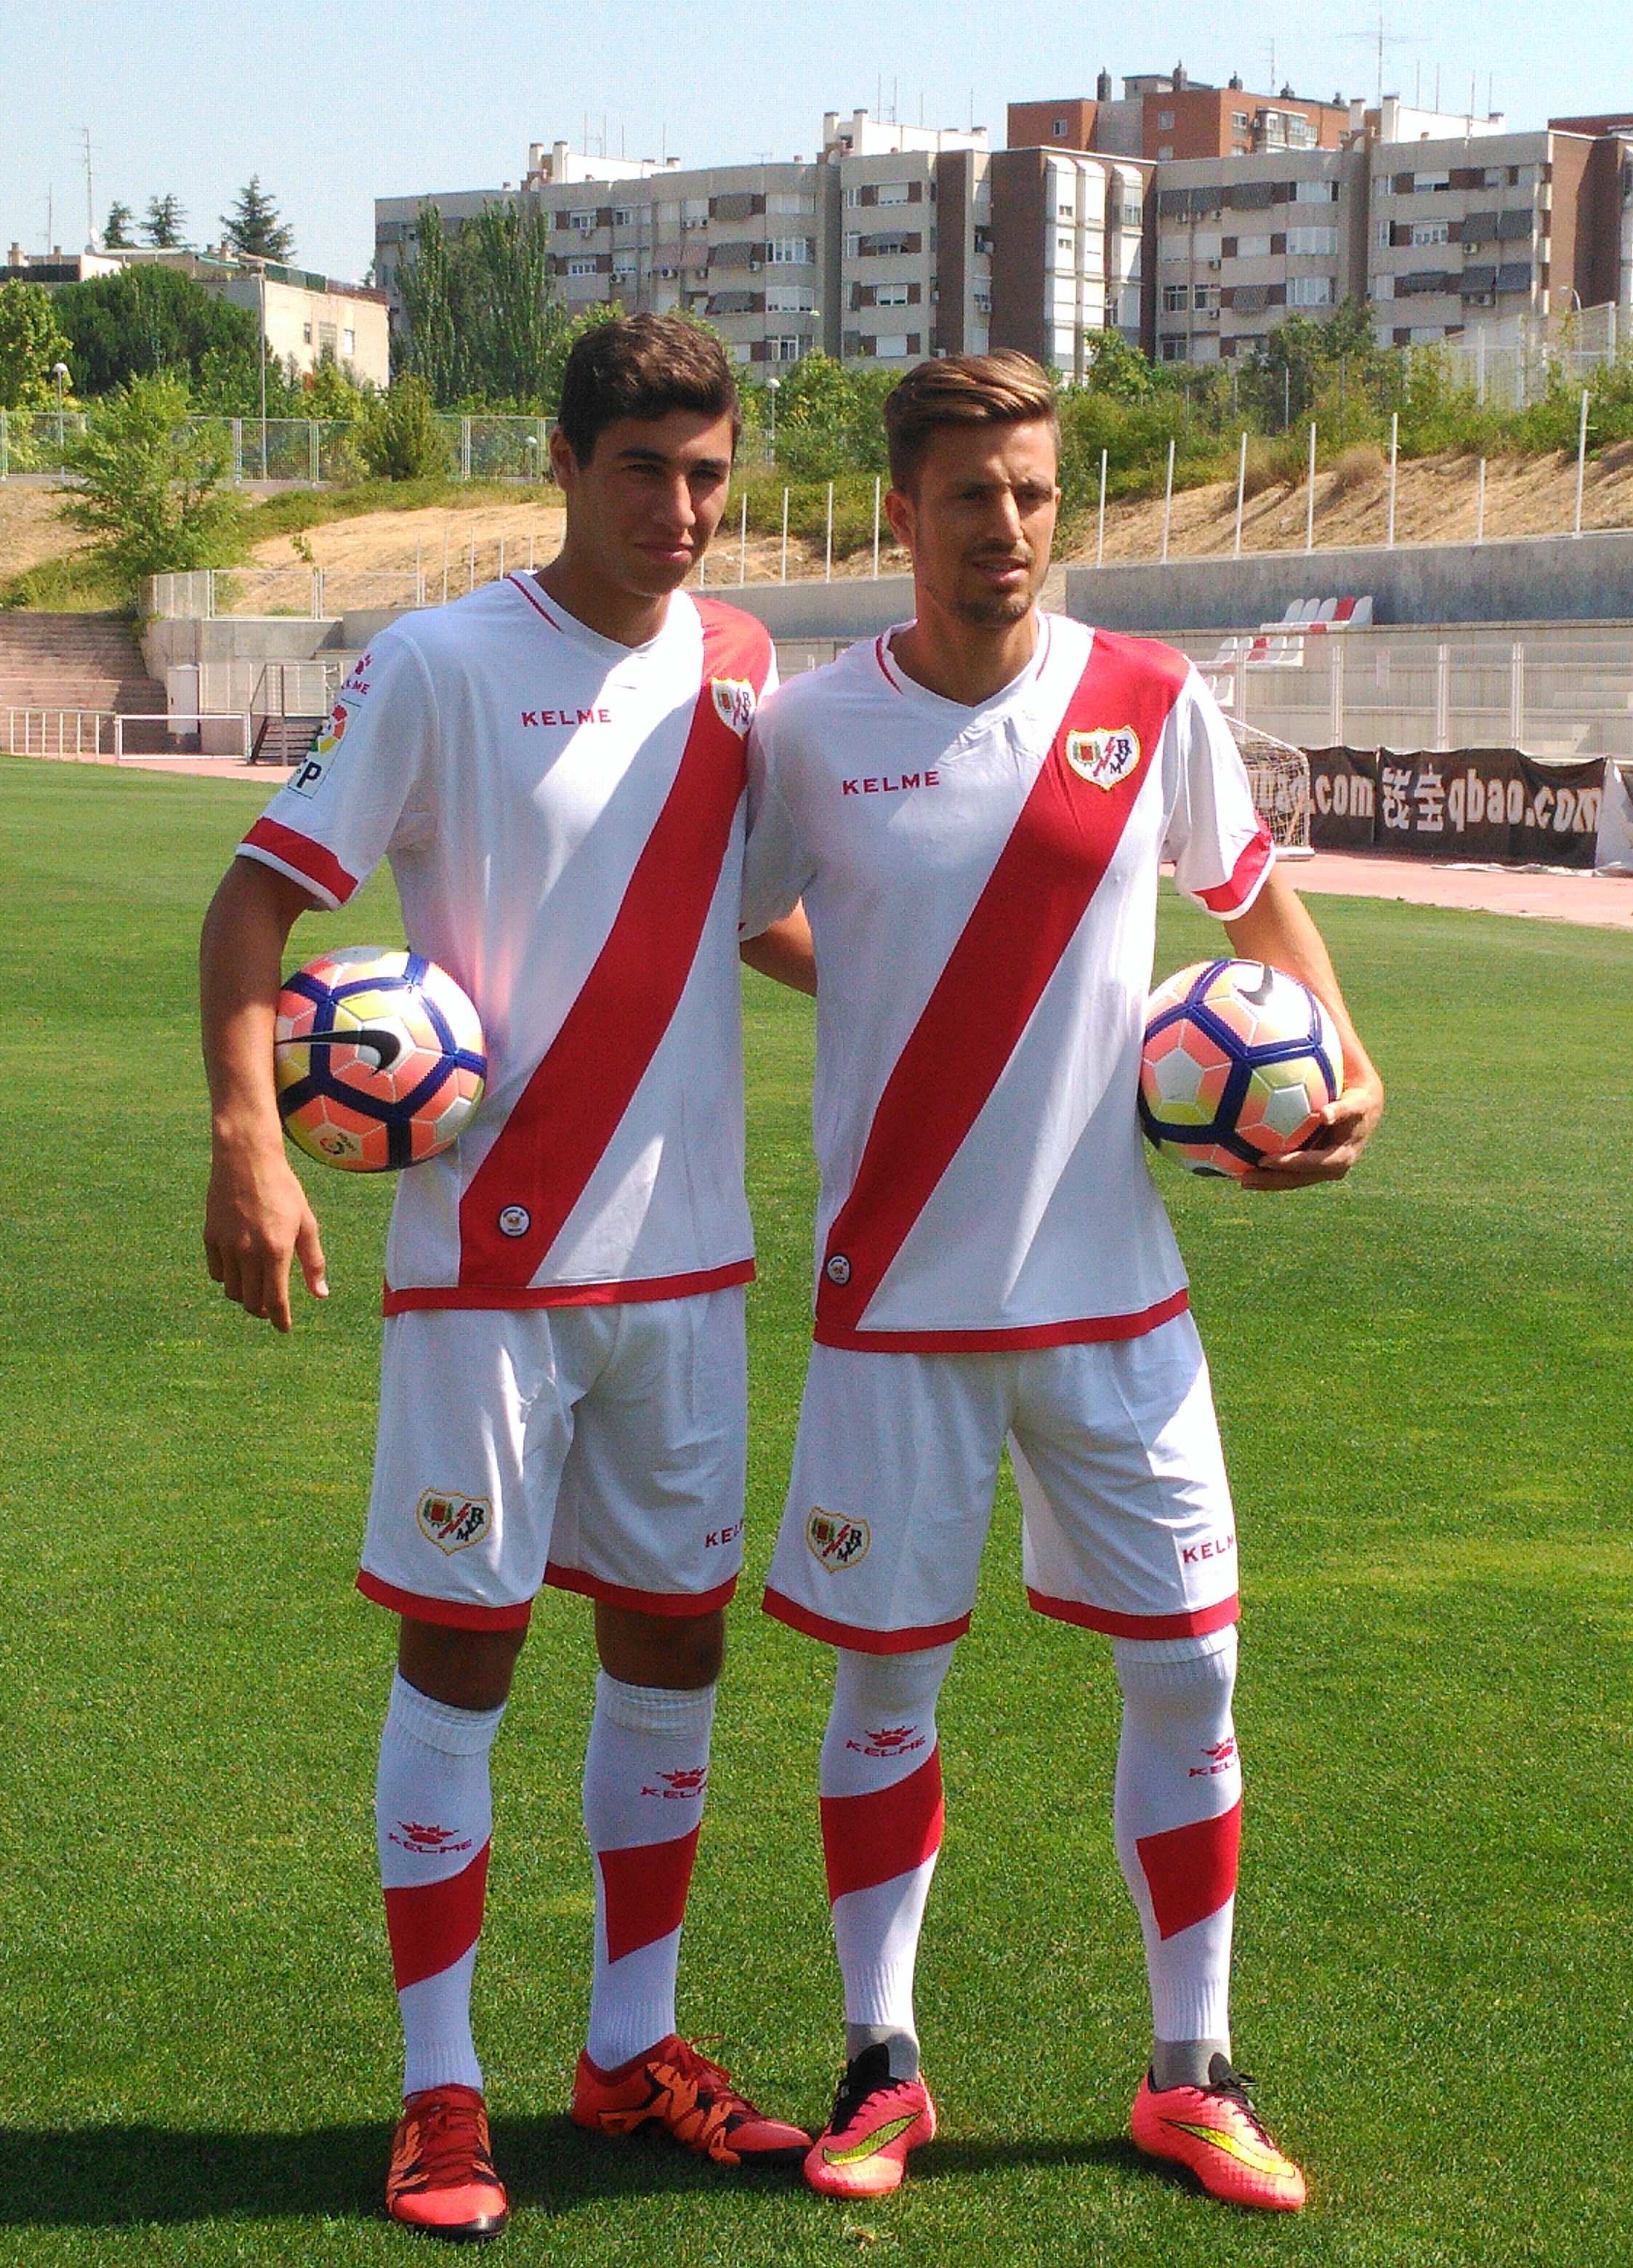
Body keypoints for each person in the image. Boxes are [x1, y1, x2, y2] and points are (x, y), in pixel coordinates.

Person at [735, 352, 1386, 2213]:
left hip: (1116, 1297)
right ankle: (880, 2067)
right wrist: (868, 984)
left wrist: (1346, 1057)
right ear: (901, 516)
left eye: (1032, 494)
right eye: (970, 497)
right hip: (899, 1312)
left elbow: (1249, 899)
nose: (1008, 529)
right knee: (886, 1689)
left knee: (1194, 1668)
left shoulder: (1149, 697)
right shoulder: (805, 728)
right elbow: (729, 912)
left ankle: (1191, 2072)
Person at [196, 315, 810, 2243]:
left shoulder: (740, 664)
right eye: (645, 471)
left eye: (710, 475)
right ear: (563, 462)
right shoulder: (443, 663)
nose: (682, 512)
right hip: (489, 1270)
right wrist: (245, 1139)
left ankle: (632, 2047)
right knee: (465, 1657)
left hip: (689, 1269)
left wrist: (952, 979)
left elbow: (754, 908)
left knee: (675, 1648)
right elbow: (256, 897)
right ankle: (440, 2087)